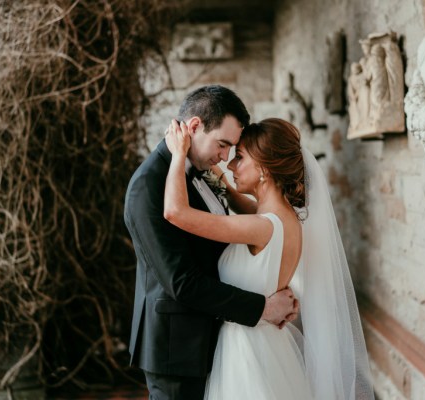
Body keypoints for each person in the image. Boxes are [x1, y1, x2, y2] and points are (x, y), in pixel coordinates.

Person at [164, 117, 375, 399]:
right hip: (269, 344)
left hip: (247, 353)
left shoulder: (261, 227)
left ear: (263, 168)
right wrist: (211, 168)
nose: (231, 165)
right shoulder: (284, 218)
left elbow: (175, 212)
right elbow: (238, 200)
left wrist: (178, 154)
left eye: (239, 157)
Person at [123, 85, 299, 400]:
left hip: (216, 342)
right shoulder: (148, 186)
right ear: (194, 127)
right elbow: (181, 282)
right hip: (177, 350)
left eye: (233, 150)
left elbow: (237, 235)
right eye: (222, 145)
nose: (225, 158)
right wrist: (262, 307)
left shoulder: (202, 172)